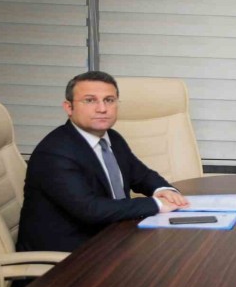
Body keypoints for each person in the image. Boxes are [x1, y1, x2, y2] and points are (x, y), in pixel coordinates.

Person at [17, 71, 189, 252]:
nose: (102, 109)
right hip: (69, 253)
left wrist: (164, 190)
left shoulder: (112, 138)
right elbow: (90, 209)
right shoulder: (54, 152)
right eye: (90, 100)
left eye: (109, 100)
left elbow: (141, 175)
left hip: (111, 236)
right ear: (69, 107)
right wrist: (156, 204)